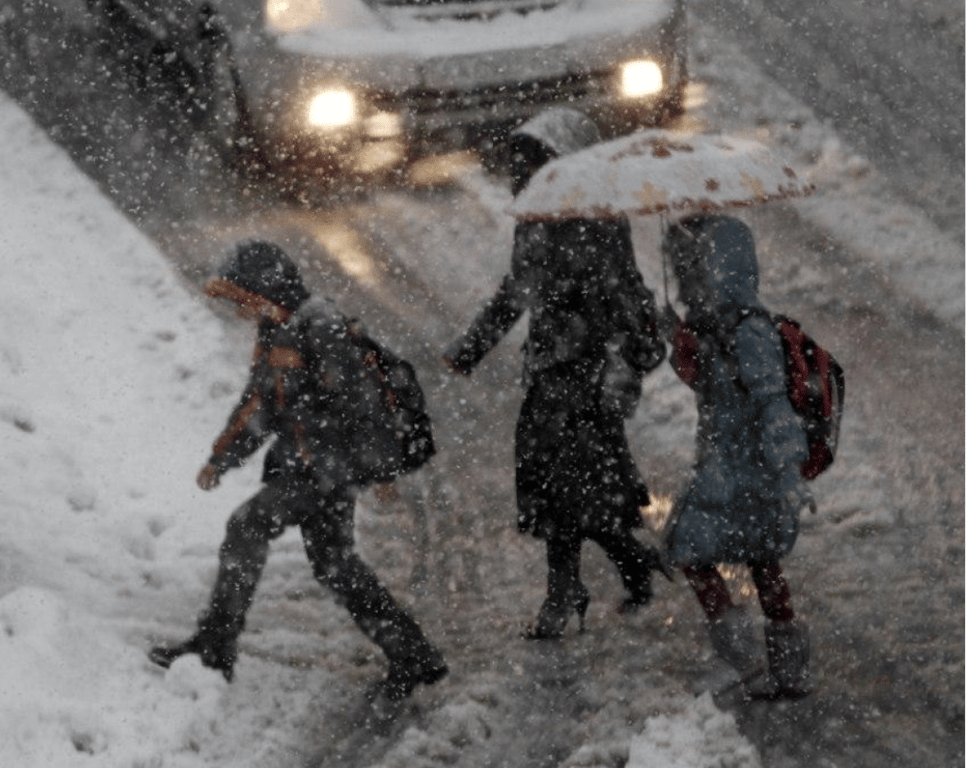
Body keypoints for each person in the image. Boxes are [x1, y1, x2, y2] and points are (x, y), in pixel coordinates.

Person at [149, 240, 447, 702]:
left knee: (246, 527)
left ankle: (214, 649)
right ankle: (413, 654)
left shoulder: (319, 326)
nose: (239, 312)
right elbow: (259, 406)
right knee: (335, 565)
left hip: (324, 470)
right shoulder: (277, 331)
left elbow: (361, 403)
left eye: (241, 300)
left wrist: (380, 469)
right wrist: (220, 458)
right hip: (310, 468)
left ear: (264, 289)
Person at [443, 108, 669, 640]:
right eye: (518, 168)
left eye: (533, 165)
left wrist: (628, 357)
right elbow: (517, 290)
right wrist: (472, 348)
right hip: (550, 373)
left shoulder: (598, 219)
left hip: (589, 378)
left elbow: (624, 295)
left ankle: (563, 593)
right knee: (570, 489)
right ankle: (633, 563)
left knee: (568, 489)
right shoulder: (535, 223)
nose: (521, 178)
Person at [659, 214, 814, 700]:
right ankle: (786, 668)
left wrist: (789, 467)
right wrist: (678, 340)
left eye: (692, 271)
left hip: (744, 469)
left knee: (691, 548)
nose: (686, 285)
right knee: (759, 558)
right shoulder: (716, 328)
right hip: (730, 465)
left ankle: (745, 660)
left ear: (716, 271)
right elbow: (712, 389)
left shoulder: (749, 330)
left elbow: (773, 402)